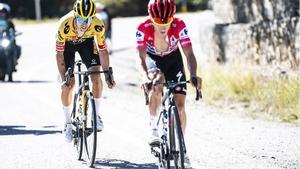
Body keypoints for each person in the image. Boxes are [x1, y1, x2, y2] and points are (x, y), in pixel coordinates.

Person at [136, 0, 202, 167]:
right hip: (154, 60)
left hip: (174, 60)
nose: (164, 25)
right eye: (159, 21)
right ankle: (153, 128)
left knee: (180, 106)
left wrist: (193, 74)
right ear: (151, 17)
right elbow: (140, 57)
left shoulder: (179, 25)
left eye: (167, 21)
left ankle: (182, 148)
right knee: (157, 84)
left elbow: (189, 54)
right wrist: (144, 76)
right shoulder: (143, 27)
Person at [56, 0, 115, 143]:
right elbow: (59, 55)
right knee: (68, 85)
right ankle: (68, 123)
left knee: (96, 76)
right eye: (81, 18)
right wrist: (64, 76)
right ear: (75, 16)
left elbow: (102, 50)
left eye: (88, 19)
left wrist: (107, 73)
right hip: (68, 46)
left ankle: (96, 115)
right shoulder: (64, 24)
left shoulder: (97, 24)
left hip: (87, 44)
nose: (84, 22)